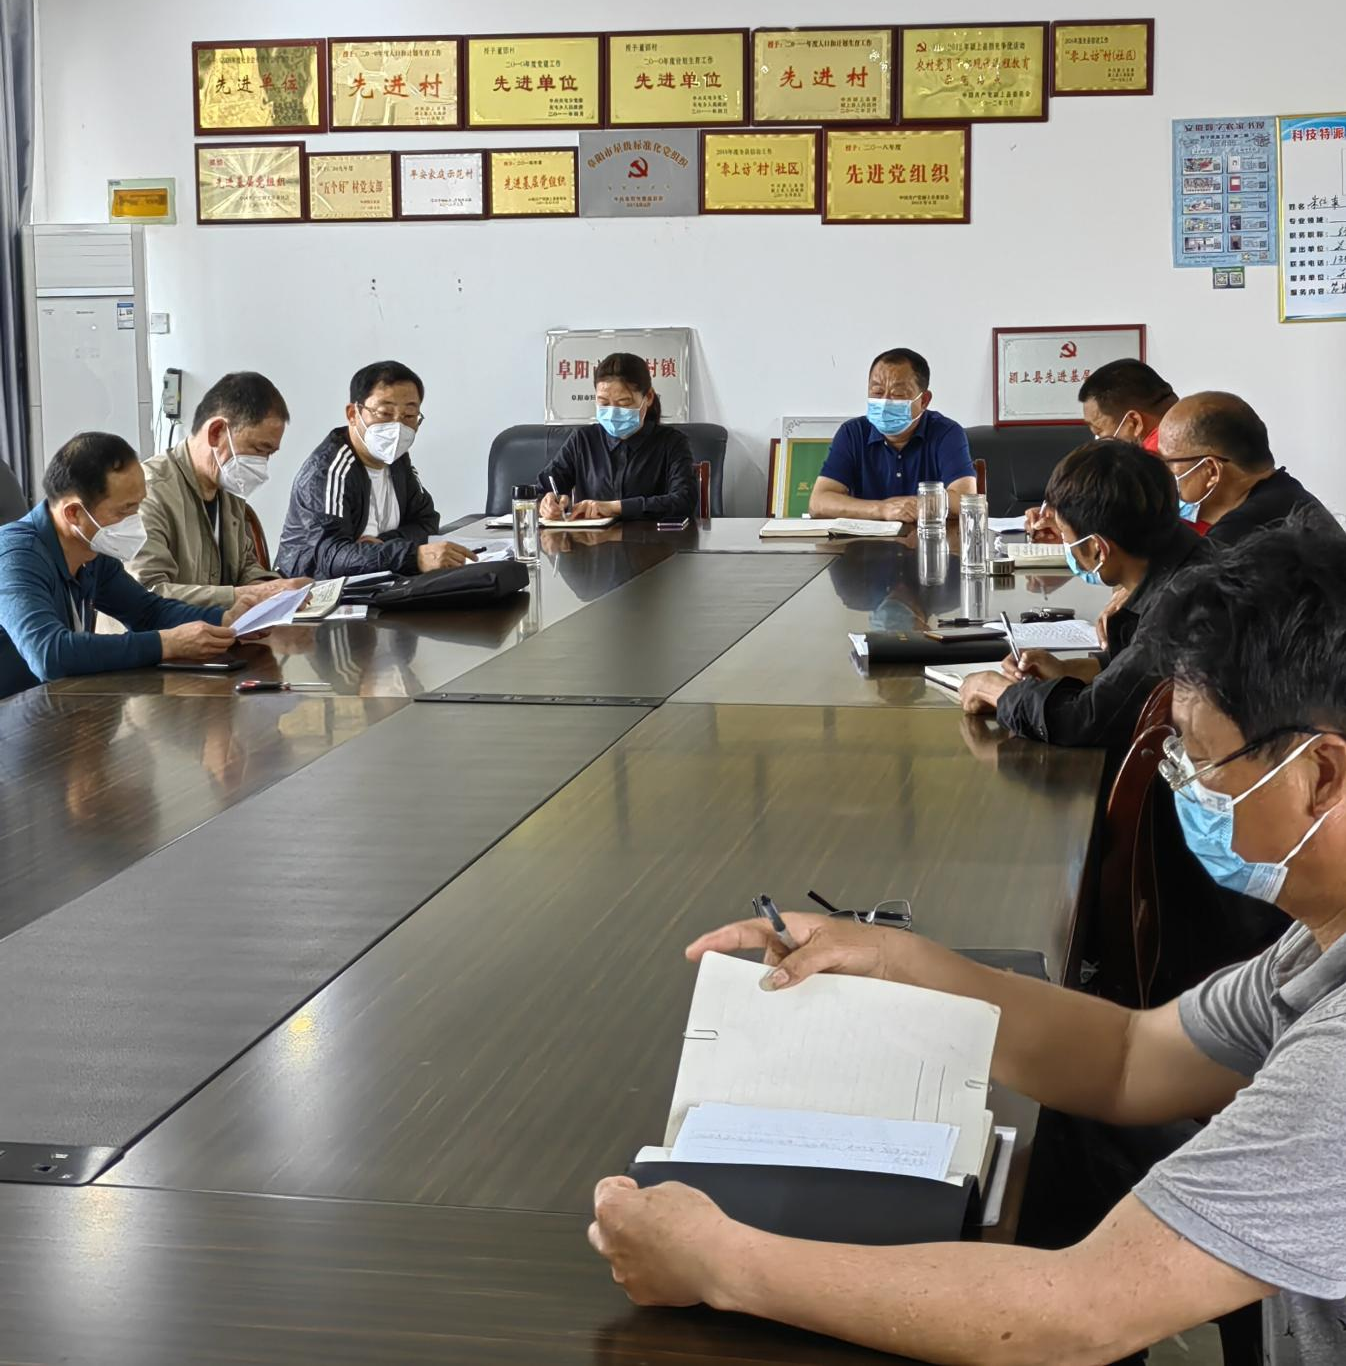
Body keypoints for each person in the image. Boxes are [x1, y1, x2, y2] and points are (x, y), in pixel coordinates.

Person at [590, 527, 1346, 1365]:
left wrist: (718, 1259)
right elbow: (1128, 1056)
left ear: (1321, 773)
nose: (1184, 787)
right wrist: (887, 959)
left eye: (1199, 762)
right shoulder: (1319, 945)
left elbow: (1081, 1311)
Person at [959, 440, 1209, 748]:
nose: (1065, 544)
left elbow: (1082, 720)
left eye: (1065, 535)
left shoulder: (1180, 607)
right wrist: (1069, 670)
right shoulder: (1191, 559)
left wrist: (994, 690)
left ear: (1097, 548)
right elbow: (1139, 673)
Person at [0, 432, 250, 700]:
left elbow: (146, 612)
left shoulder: (91, 551)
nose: (135, 521)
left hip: (56, 703)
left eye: (138, 506)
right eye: (124, 510)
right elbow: (49, 654)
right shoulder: (15, 556)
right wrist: (166, 644)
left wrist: (226, 620)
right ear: (74, 513)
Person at [276, 360, 475, 579]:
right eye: (384, 413)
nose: (397, 427)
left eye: (409, 415)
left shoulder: (396, 458)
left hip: (381, 580)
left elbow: (427, 522)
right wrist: (413, 556)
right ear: (353, 414)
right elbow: (332, 557)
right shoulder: (328, 472)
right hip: (316, 589)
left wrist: (384, 543)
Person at [133, 371, 309, 607]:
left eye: (269, 454)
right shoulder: (147, 492)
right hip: (161, 631)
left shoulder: (229, 489)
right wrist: (246, 596)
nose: (262, 466)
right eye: (259, 450)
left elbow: (245, 566)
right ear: (216, 432)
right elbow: (146, 594)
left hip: (217, 627)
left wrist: (272, 588)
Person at [808, 348, 976, 524]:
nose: (885, 402)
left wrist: (914, 506)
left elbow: (965, 500)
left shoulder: (947, 433)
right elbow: (818, 503)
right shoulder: (852, 433)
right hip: (865, 540)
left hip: (929, 538)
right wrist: (883, 509)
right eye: (877, 392)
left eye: (898, 394)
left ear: (924, 400)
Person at [1025, 358, 1178, 540]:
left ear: (1134, 422)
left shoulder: (1157, 461)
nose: (1098, 441)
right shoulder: (1183, 436)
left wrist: (1073, 532)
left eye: (1099, 431)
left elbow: (1130, 538)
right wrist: (1068, 522)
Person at [1158, 392, 1336, 546]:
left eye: (1167, 462)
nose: (1161, 471)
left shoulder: (1235, 542)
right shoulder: (1289, 494)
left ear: (1211, 471)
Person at [538, 353, 697, 523]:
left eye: (624, 403)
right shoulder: (582, 440)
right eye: (604, 403)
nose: (612, 411)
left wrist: (614, 508)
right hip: (590, 539)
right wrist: (546, 502)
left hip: (652, 538)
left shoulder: (672, 442)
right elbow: (541, 490)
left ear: (649, 397)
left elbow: (684, 500)